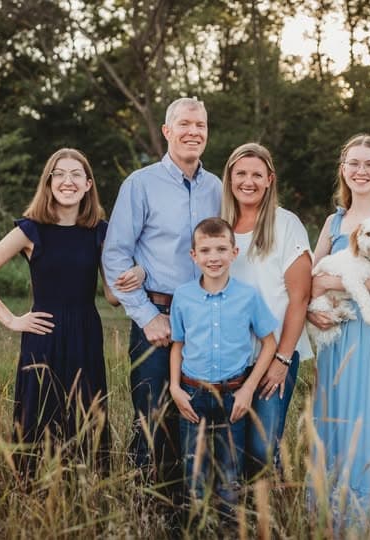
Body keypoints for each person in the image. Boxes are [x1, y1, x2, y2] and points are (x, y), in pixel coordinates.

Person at [0, 148, 139, 477]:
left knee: (86, 414)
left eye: (76, 175)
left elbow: (113, 297)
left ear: (88, 185)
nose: (67, 181)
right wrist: (11, 319)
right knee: (37, 413)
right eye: (59, 174)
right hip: (42, 334)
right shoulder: (32, 230)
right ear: (49, 182)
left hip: (86, 332)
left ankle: (85, 488)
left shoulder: (100, 232)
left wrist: (138, 274)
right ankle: (32, 489)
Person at [102, 98, 222, 496]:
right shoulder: (140, 183)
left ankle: (191, 506)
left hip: (206, 319)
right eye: (185, 124)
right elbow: (116, 253)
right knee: (151, 418)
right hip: (157, 316)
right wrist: (147, 315)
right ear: (167, 132)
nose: (193, 132)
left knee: (198, 415)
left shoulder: (217, 188)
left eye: (200, 125)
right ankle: (146, 509)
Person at [306, 133, 370, 531]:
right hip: (335, 337)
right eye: (353, 163)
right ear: (343, 169)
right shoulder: (335, 220)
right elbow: (311, 273)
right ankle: (332, 518)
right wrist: (309, 308)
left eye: (369, 164)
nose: (361, 171)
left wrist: (331, 285)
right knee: (335, 419)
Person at [169, 218, 277, 521]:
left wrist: (248, 389)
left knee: (230, 475)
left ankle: (229, 528)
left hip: (233, 396)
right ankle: (197, 528)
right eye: (205, 250)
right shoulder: (183, 296)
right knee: (195, 473)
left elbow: (269, 344)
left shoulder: (248, 296)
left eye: (220, 249)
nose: (213, 257)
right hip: (192, 395)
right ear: (194, 256)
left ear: (234, 252)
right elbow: (177, 344)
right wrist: (175, 387)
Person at [220, 142, 312, 478]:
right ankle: (232, 518)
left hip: (276, 354)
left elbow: (300, 296)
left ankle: (264, 518)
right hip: (228, 355)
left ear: (269, 179)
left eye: (257, 174)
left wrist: (282, 360)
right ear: (229, 178)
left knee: (262, 448)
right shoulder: (219, 225)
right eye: (241, 173)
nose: (249, 181)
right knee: (229, 447)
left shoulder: (286, 225)